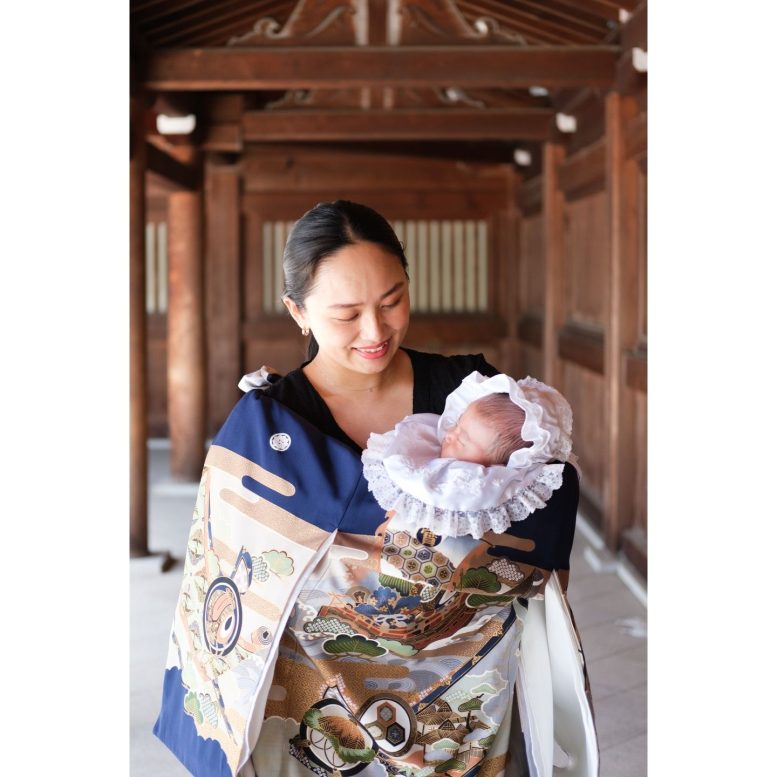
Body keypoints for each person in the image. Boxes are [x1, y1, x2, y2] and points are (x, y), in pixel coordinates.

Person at [153, 200, 597, 777]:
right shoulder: (266, 426)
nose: (375, 331)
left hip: (461, 711)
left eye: (392, 302)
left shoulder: (468, 393)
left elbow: (547, 495)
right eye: (347, 314)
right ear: (298, 312)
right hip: (309, 710)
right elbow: (224, 575)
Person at [361, 371, 579, 542]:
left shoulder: (480, 480)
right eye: (457, 424)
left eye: (462, 440)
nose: (449, 435)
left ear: (498, 465)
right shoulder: (441, 439)